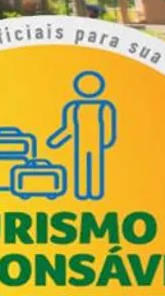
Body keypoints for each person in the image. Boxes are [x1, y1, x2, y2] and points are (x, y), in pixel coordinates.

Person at [47, 70, 117, 201]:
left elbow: (108, 126)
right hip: (80, 141)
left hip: (97, 141)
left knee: (95, 166)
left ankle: (95, 192)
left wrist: (106, 141)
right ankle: (82, 192)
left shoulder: (104, 106)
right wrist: (56, 141)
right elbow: (68, 127)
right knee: (81, 166)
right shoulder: (73, 107)